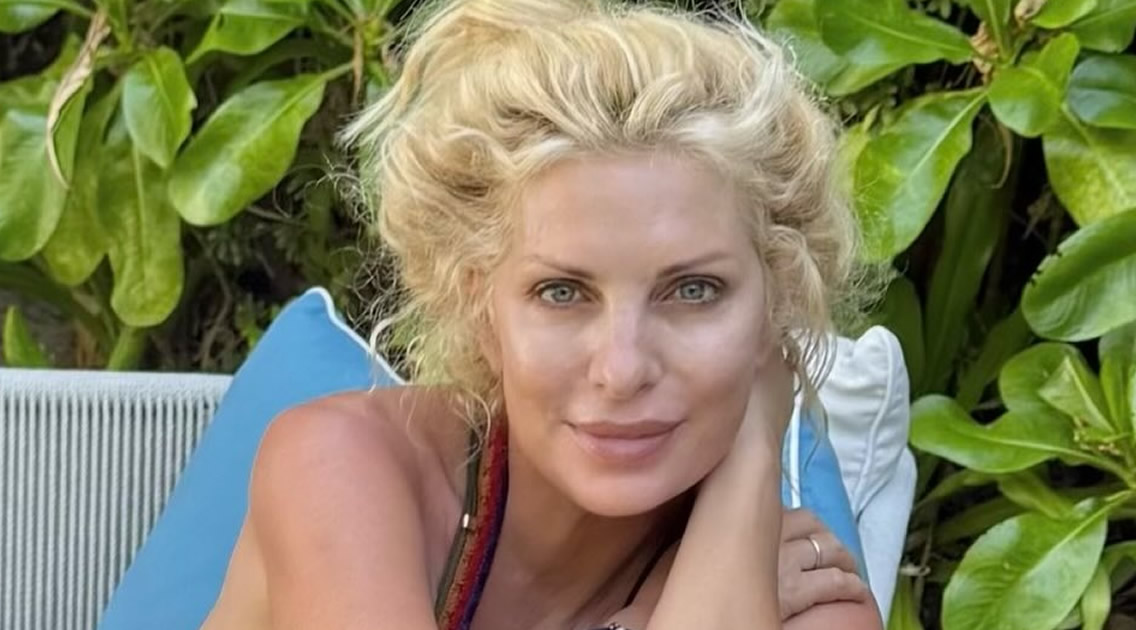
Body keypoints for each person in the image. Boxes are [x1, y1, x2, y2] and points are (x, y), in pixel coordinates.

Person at [200, 0, 882, 628]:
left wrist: (751, 459)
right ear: (481, 310)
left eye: (694, 290)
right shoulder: (344, 467)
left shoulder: (806, 595)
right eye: (562, 293)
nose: (622, 370)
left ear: (774, 310)